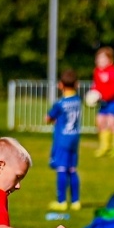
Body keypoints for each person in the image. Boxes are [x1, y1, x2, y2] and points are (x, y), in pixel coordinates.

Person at [46, 68, 83, 210]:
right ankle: (76, 201)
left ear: (60, 85)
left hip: (62, 139)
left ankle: (61, 201)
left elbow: (49, 118)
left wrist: (51, 119)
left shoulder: (60, 103)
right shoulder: (78, 101)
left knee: (61, 169)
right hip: (74, 138)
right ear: (77, 84)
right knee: (72, 169)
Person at [92, 46, 114, 157]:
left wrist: (101, 96)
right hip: (104, 100)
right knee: (100, 121)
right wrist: (93, 94)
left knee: (112, 122)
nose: (99, 61)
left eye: (102, 58)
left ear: (110, 60)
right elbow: (96, 86)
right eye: (98, 58)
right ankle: (104, 146)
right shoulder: (97, 71)